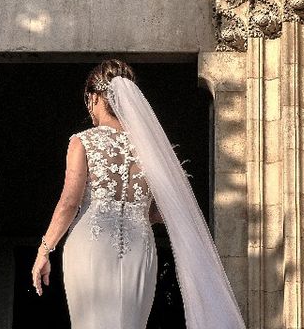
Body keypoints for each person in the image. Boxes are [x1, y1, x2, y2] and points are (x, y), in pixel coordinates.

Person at [31, 59, 246, 328]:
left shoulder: (83, 140)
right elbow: (159, 211)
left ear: (95, 97)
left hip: (91, 244)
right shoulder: (152, 149)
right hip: (140, 247)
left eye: (89, 100)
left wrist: (44, 250)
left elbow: (69, 203)